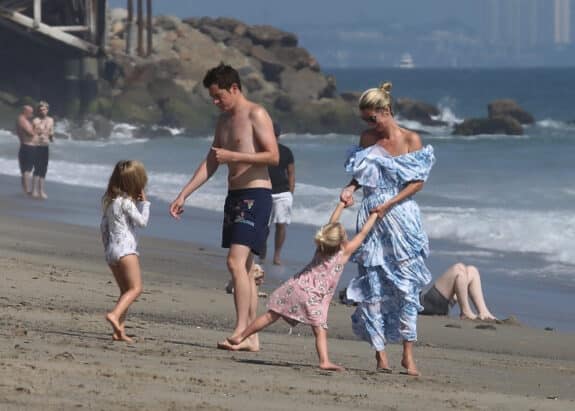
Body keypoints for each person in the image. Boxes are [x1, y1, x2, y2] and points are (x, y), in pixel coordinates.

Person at [169, 64, 279, 351]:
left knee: (234, 262)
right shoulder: (223, 122)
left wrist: (234, 154)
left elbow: (273, 156)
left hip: (256, 195)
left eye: (219, 97)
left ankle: (241, 330)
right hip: (234, 196)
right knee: (245, 267)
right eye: (212, 99)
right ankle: (252, 338)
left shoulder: (256, 113)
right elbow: (211, 162)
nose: (216, 103)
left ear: (234, 88)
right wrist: (184, 195)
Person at [340, 82, 435, 376]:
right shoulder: (368, 139)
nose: (370, 124)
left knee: (407, 286)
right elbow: (361, 173)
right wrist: (350, 188)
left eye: (373, 118)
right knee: (372, 286)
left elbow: (417, 183)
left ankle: (408, 354)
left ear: (386, 111)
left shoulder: (411, 139)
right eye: (365, 119)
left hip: (401, 217)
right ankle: (380, 355)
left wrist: (390, 203)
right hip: (371, 216)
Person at [219, 201, 380, 372]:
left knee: (270, 316)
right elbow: (363, 233)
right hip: (314, 296)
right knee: (320, 330)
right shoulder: (344, 252)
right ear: (341, 240)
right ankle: (324, 360)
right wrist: (375, 215)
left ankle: (241, 336)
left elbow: (330, 223)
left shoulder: (321, 247)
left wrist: (341, 205)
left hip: (295, 286)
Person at [101, 160, 150, 342]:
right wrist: (145, 203)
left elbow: (104, 228)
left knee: (125, 291)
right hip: (126, 250)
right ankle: (114, 315)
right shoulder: (127, 203)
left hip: (112, 250)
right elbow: (142, 222)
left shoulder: (111, 204)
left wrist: (108, 251)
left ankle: (119, 330)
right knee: (136, 289)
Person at [260, 122, 295, 265]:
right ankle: (262, 249)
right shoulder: (260, 151)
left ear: (278, 136)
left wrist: (291, 192)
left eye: (274, 135)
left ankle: (277, 256)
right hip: (264, 191)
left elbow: (291, 173)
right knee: (263, 225)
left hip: (283, 193)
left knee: (281, 224)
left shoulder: (286, 151)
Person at [420, 263, 496, 321]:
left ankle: (484, 312)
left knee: (473, 271)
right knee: (459, 269)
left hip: (435, 304)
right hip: (423, 304)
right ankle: (465, 312)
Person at [31, 101, 54, 199]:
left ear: (47, 110)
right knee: (37, 168)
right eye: (41, 110)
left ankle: (41, 191)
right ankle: (34, 190)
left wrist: (52, 137)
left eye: (44, 109)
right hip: (37, 146)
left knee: (44, 169)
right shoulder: (35, 120)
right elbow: (32, 133)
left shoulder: (51, 120)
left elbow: (51, 132)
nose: (42, 111)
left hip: (45, 146)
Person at [15, 105, 37, 194]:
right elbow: (30, 133)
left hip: (26, 146)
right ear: (25, 111)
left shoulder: (23, 120)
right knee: (27, 170)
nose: (32, 114)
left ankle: (25, 190)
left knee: (25, 170)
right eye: (31, 112)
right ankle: (27, 190)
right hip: (28, 147)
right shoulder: (22, 120)